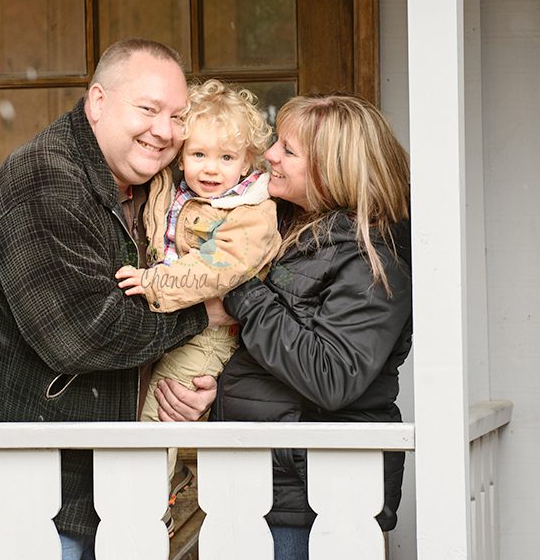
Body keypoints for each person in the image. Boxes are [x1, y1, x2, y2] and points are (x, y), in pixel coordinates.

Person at [0, 39, 220, 560]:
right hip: (24, 484)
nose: (165, 131)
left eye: (178, 116)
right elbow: (83, 335)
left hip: (99, 483)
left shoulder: (160, 194)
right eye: (148, 109)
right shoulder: (45, 183)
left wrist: (185, 387)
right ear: (97, 101)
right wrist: (202, 315)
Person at [162, 93, 413, 559]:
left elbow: (331, 376)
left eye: (288, 150)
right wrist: (217, 391)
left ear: (332, 169)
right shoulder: (285, 229)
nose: (270, 155)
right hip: (260, 488)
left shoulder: (372, 261)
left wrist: (237, 285)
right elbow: (274, 356)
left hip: (314, 500)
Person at [115, 78, 281, 523]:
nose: (210, 168)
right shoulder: (176, 192)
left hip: (207, 334)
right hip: (170, 322)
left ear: (248, 162)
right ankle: (161, 489)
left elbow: (215, 268)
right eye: (198, 154)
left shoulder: (251, 213)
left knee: (158, 420)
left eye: (226, 158)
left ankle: (145, 515)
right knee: (130, 407)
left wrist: (154, 283)